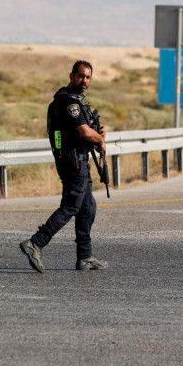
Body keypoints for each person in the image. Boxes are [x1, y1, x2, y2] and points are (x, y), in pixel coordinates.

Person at [19, 60, 109, 273]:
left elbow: (87, 131)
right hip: (72, 162)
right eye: (80, 76)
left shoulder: (75, 101)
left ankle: (85, 257)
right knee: (71, 206)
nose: (84, 80)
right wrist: (100, 140)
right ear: (71, 76)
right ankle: (36, 243)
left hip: (78, 160)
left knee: (87, 207)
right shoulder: (70, 103)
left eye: (88, 77)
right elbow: (85, 132)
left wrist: (97, 134)